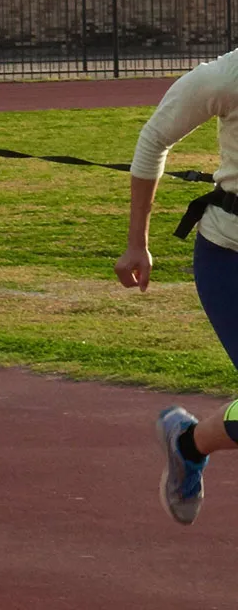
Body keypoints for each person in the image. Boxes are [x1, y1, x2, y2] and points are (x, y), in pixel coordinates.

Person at [115, 49, 238, 525]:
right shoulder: (226, 76)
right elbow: (153, 140)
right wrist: (136, 244)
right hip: (229, 258)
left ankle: (187, 442)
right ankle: (188, 444)